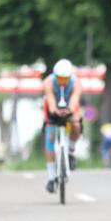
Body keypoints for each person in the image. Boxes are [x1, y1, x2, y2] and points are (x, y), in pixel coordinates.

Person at [43, 58, 82, 193]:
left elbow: (75, 98)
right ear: (55, 76)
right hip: (53, 108)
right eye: (59, 78)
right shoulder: (48, 82)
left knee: (76, 125)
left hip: (69, 106)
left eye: (65, 79)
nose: (62, 82)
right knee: (50, 137)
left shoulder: (76, 82)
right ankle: (51, 176)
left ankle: (70, 150)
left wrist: (70, 110)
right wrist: (55, 110)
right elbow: (50, 99)